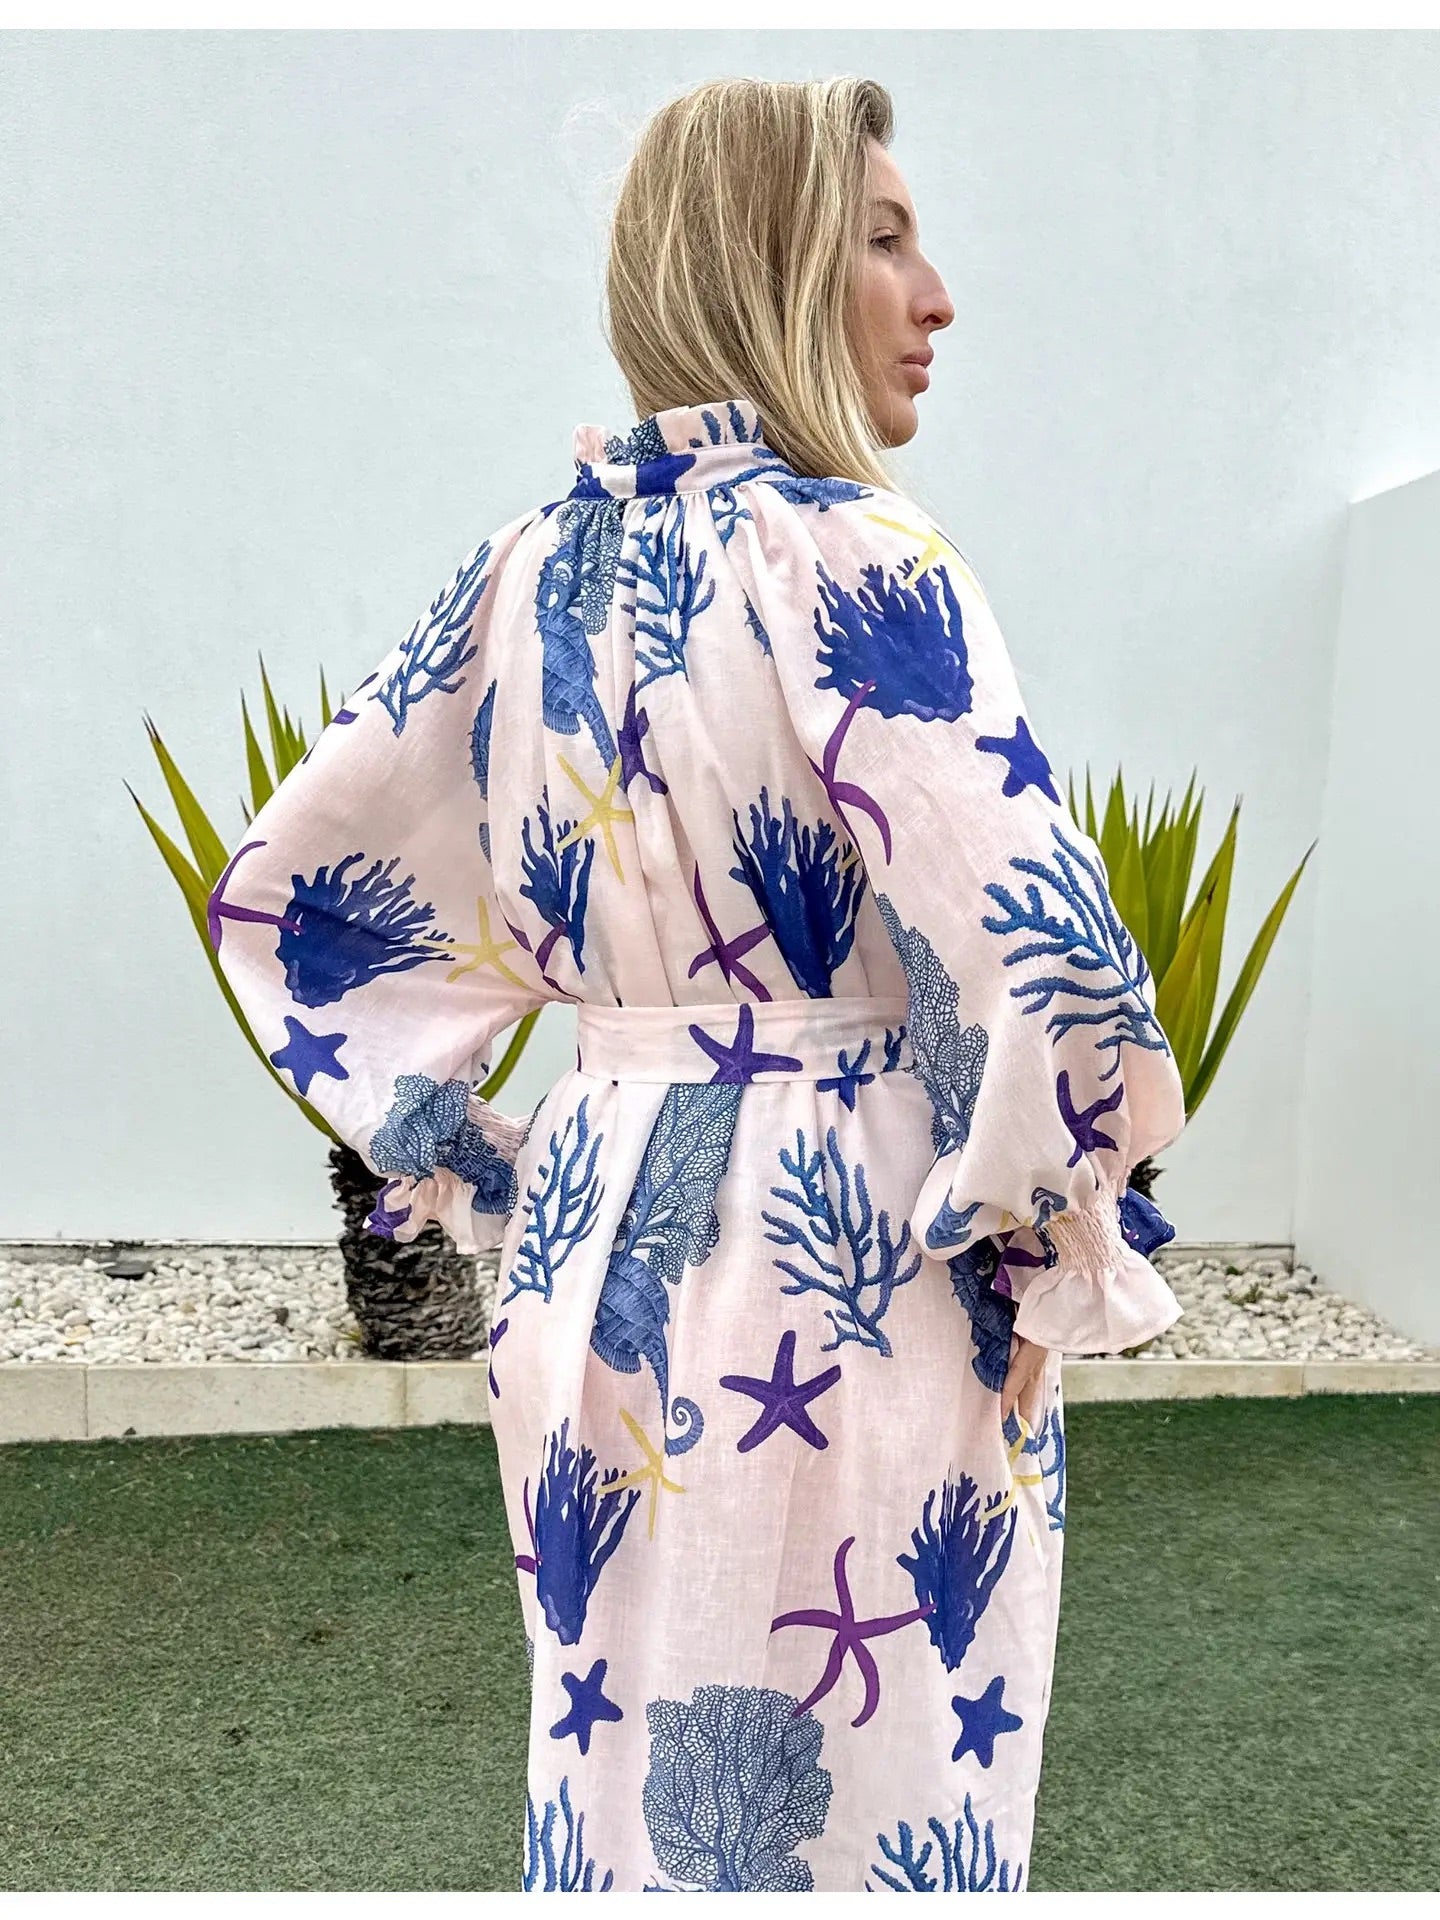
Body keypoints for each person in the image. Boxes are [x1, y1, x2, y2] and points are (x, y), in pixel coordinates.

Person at [211, 75, 1186, 1895]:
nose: (937, 295)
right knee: (875, 1789)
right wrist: (1051, 1213)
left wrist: (473, 1148)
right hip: (850, 1242)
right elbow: (1050, 947)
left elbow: (294, 900)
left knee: (621, 1774)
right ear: (769, 264)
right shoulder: (862, 556)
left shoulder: (521, 577)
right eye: (882, 239)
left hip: (593, 1231)